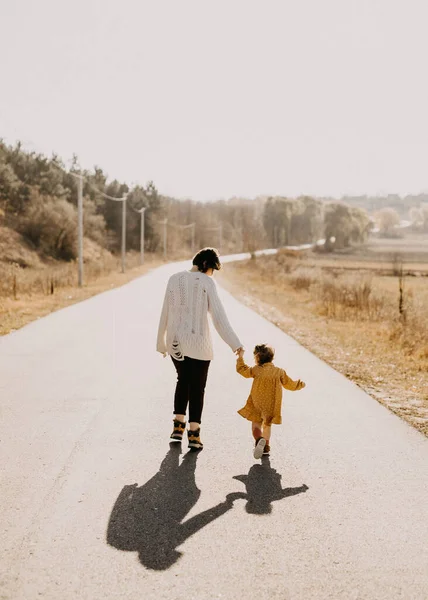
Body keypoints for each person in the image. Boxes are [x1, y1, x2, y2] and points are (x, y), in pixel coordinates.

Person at [157, 247, 243, 450]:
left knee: (183, 380)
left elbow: (165, 311)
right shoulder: (207, 282)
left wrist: (161, 341)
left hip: (175, 342)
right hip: (199, 343)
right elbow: (219, 318)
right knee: (197, 387)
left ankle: (177, 428)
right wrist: (235, 344)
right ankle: (194, 434)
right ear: (206, 265)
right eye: (213, 269)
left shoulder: (174, 278)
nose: (212, 273)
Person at [236, 344, 305, 459]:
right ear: (272, 358)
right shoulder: (279, 372)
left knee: (256, 425)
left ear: (257, 358)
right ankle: (266, 447)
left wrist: (240, 357)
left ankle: (259, 440)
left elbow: (243, 370)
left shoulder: (256, 370)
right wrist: (299, 384)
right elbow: (289, 384)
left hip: (257, 402)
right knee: (267, 425)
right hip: (272, 403)